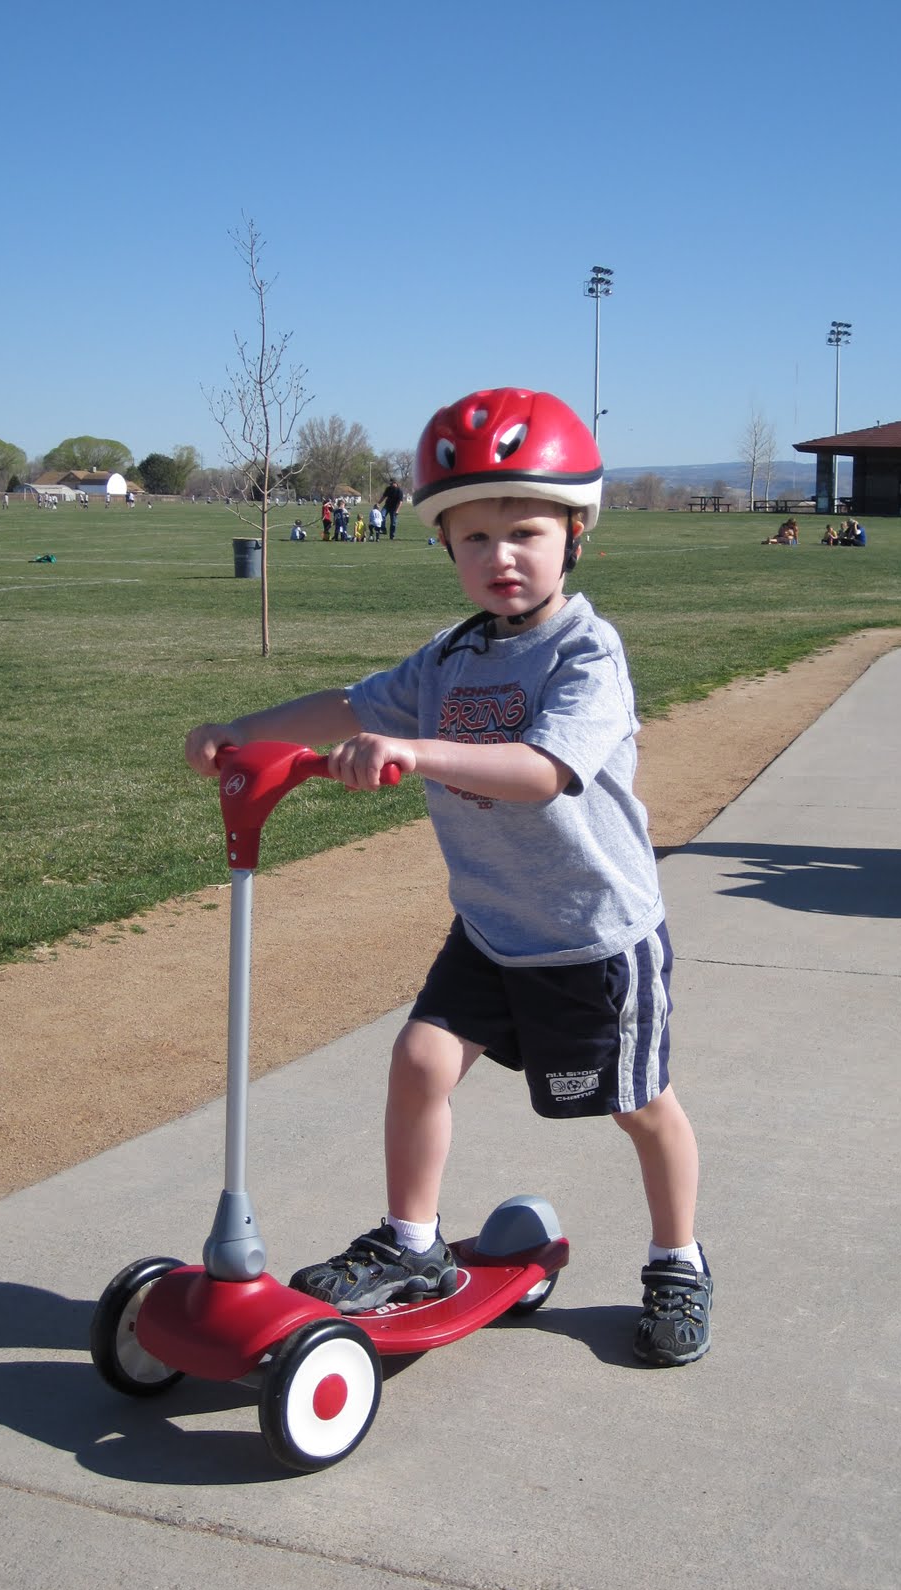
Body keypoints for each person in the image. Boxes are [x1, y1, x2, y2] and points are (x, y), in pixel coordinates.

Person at [184, 387, 711, 1367]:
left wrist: (418, 753)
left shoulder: (586, 652)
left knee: (639, 1106)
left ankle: (677, 1259)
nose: (501, 555)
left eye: (525, 532)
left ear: (576, 535)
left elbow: (542, 771)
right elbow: (351, 705)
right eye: (475, 537)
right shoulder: (451, 657)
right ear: (445, 546)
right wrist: (243, 732)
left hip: (591, 935)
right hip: (491, 926)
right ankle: (412, 1244)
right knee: (421, 1061)